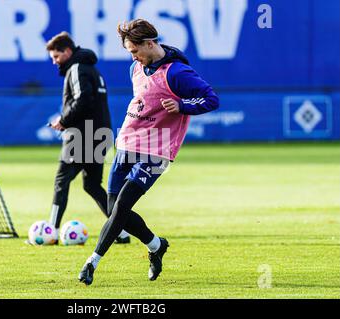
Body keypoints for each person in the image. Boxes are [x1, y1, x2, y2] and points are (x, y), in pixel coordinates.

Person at [78, 19, 220, 285]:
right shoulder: (136, 68)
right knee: (112, 207)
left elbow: (211, 99)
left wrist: (181, 105)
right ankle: (156, 245)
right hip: (128, 142)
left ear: (150, 43)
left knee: (121, 207)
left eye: (135, 50)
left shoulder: (177, 73)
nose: (133, 57)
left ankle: (92, 262)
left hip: (157, 151)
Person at [41, 32, 130, 244]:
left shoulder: (76, 68)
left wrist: (63, 120)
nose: (54, 62)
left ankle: (51, 232)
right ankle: (122, 231)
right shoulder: (92, 69)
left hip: (82, 136)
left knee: (61, 181)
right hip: (100, 134)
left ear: (67, 52)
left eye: (56, 56)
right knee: (92, 184)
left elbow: (83, 100)